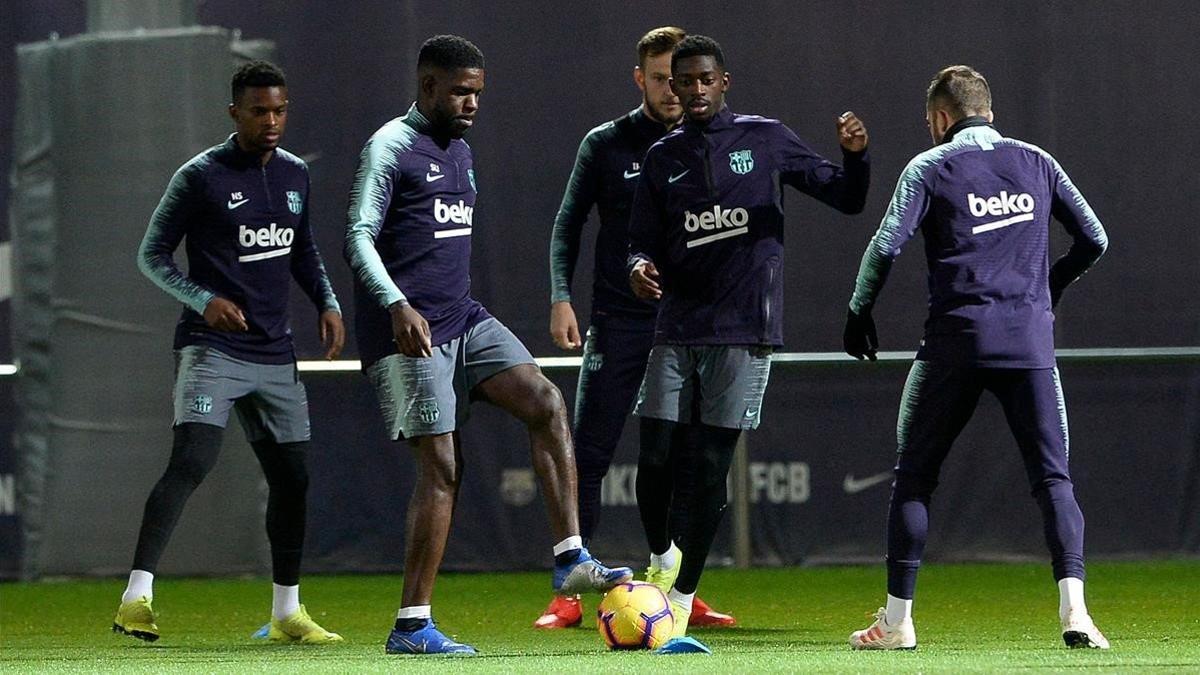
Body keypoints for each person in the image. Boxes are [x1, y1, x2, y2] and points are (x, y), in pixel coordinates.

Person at [344, 35, 632, 656]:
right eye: (459, 91)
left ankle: (570, 558)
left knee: (546, 401)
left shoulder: (462, 151)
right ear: (427, 88)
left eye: (477, 92)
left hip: (462, 317)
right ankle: (411, 626)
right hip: (406, 332)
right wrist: (396, 304)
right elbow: (359, 237)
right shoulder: (391, 146)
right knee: (443, 470)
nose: (472, 102)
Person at [843, 65, 1109, 650]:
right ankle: (1076, 613)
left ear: (940, 118)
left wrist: (859, 311)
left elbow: (885, 245)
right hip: (1028, 343)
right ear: (987, 110)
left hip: (954, 343)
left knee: (913, 478)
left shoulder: (929, 166)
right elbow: (1095, 238)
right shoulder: (1038, 161)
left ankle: (897, 623)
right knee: (1053, 480)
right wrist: (1050, 288)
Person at [627, 35, 870, 642]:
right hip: (677, 325)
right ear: (674, 88)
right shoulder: (662, 159)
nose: (697, 89)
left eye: (707, 79)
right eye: (686, 82)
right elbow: (640, 240)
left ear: (724, 81)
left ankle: (681, 598)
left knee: (710, 468)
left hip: (742, 329)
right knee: (653, 458)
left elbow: (846, 198)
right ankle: (662, 558)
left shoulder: (765, 139)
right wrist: (637, 266)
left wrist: (856, 157)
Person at [113, 60, 345, 644]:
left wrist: (328, 301)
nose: (272, 121)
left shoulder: (295, 174)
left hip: (276, 354)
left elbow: (303, 249)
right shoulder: (200, 176)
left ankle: (286, 614)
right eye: (260, 111)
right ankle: (134, 600)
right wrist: (202, 299)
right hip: (212, 350)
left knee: (293, 480)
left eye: (281, 109)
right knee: (191, 462)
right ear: (234, 112)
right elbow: (152, 256)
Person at [539, 26, 736, 630]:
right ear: (641, 78)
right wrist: (560, 297)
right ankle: (570, 590)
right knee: (588, 452)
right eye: (660, 79)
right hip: (619, 323)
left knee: (684, 462)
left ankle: (678, 583)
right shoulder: (607, 144)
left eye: (680, 79)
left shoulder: (708, 143)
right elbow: (569, 223)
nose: (673, 91)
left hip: (686, 325)